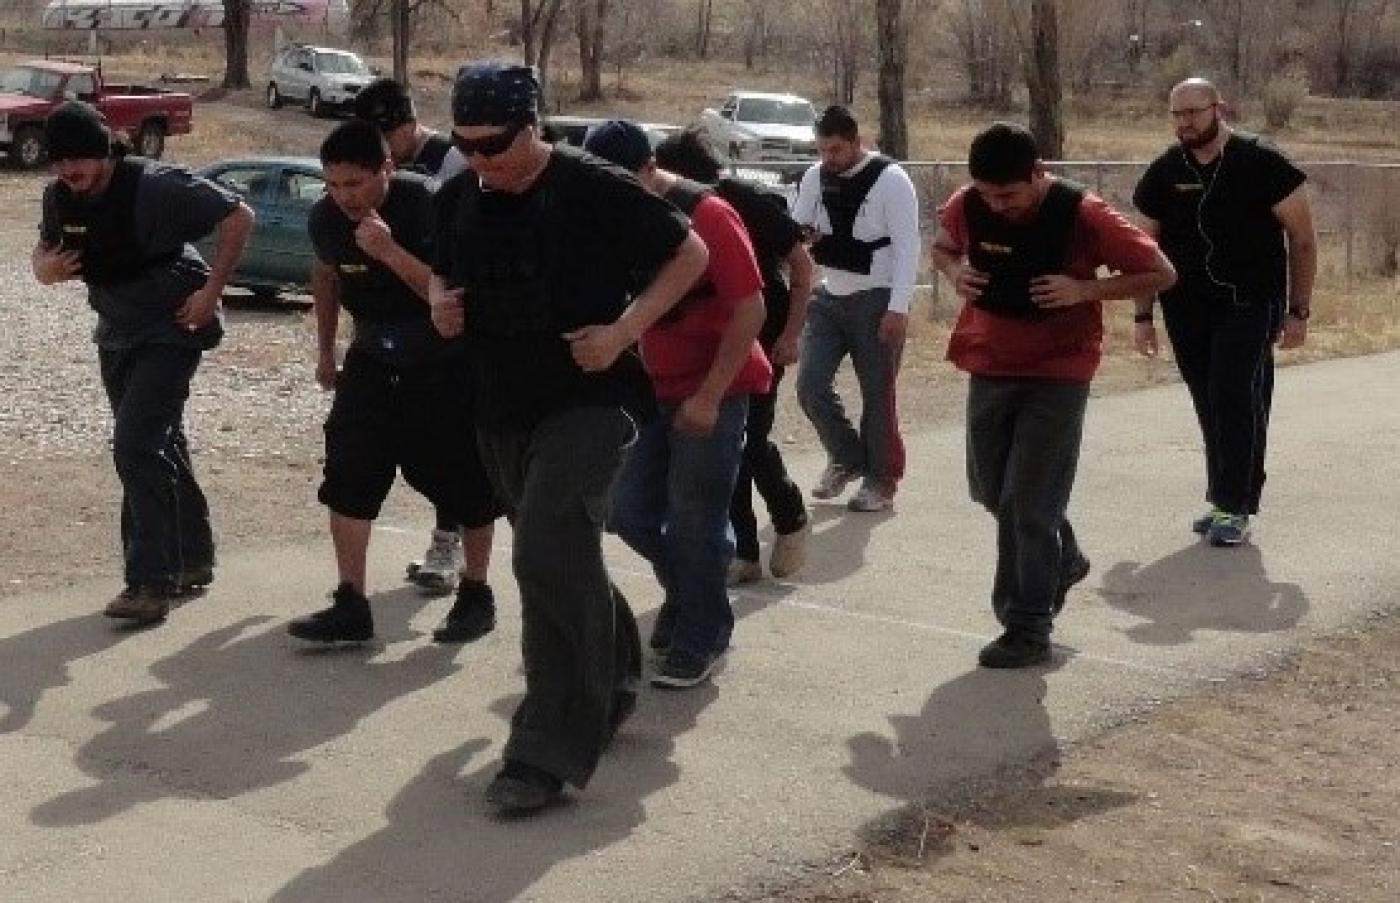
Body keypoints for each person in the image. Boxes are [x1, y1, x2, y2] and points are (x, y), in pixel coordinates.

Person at [430, 63, 708, 813]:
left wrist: (623, 330)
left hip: (590, 399)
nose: (479, 160)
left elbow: (692, 254)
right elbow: (440, 271)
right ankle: (614, 678)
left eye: (493, 145)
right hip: (500, 407)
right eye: (465, 145)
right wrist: (439, 302)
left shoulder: (593, 187)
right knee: (562, 549)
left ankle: (542, 751)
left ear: (533, 126)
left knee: (543, 551)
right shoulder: (459, 194)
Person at [929, 122, 1176, 668]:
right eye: (988, 194)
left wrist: (1084, 289)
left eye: (1009, 195)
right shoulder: (967, 204)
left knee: (1029, 502)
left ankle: (1027, 625)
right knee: (993, 491)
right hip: (990, 361)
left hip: (1059, 370)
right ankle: (1062, 558)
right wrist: (956, 271)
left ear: (1039, 175)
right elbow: (943, 248)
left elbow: (1160, 272)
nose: (997, 206)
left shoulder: (1085, 214)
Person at [30, 101, 253, 625]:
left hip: (173, 324)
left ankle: (148, 583)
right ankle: (192, 557)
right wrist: (45, 270)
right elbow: (41, 253)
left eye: (77, 160)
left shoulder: (156, 186)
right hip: (116, 332)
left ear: (105, 148)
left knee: (134, 447)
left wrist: (212, 293)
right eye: (58, 162)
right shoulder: (58, 198)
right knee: (160, 442)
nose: (68, 172)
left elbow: (239, 215)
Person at [285, 119, 502, 646]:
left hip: (443, 361)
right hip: (372, 359)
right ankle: (350, 603)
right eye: (333, 185)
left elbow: (451, 291)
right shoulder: (325, 219)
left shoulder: (428, 204)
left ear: (387, 168)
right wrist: (324, 349)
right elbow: (327, 276)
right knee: (348, 472)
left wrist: (387, 251)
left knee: (464, 480)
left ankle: (476, 593)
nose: (344, 197)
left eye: (355, 184)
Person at [584, 120, 770, 688]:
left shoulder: (709, 215)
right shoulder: (611, 213)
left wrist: (710, 396)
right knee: (627, 511)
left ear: (647, 171)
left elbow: (751, 309)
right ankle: (690, 592)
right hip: (652, 388)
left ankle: (702, 637)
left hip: (718, 387)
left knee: (695, 515)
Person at [1132, 78, 1316, 547]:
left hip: (1250, 301)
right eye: (1176, 114)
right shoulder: (1165, 171)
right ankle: (1225, 497)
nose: (1184, 122)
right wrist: (1142, 317)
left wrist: (1299, 311)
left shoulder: (1262, 162)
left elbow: (1302, 238)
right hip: (1187, 305)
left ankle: (1234, 505)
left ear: (1219, 108)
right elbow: (1144, 249)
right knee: (1210, 399)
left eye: (1193, 112)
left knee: (1232, 392)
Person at [653, 127, 815, 585]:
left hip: (762, 328)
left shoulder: (738, 201)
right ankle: (742, 549)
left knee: (748, 440)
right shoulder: (661, 212)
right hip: (707, 338)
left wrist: (792, 334)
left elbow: (802, 267)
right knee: (722, 447)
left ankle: (790, 517)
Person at [353, 77, 487, 594]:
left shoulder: (451, 164)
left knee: (456, 445)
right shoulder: (366, 172)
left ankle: (452, 547)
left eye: (388, 136)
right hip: (397, 328)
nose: (382, 151)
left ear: (408, 125)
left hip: (452, 322)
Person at [790, 105, 921, 513]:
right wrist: (803, 230)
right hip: (831, 295)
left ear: (856, 143)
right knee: (810, 385)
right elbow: (799, 225)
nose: (829, 158)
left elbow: (907, 247)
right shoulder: (815, 177)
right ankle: (846, 456)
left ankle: (881, 479)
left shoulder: (891, 180)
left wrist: (898, 308)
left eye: (837, 149)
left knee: (878, 395)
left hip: (877, 295)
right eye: (823, 150)